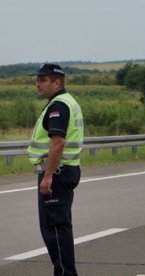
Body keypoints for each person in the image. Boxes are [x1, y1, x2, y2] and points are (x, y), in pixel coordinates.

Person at [27, 63, 84, 276]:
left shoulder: (59, 106)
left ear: (56, 82)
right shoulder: (66, 102)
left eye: (43, 80)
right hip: (63, 171)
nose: (38, 84)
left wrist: (48, 175)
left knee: (56, 229)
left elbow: (58, 142)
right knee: (56, 227)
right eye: (37, 79)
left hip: (57, 173)